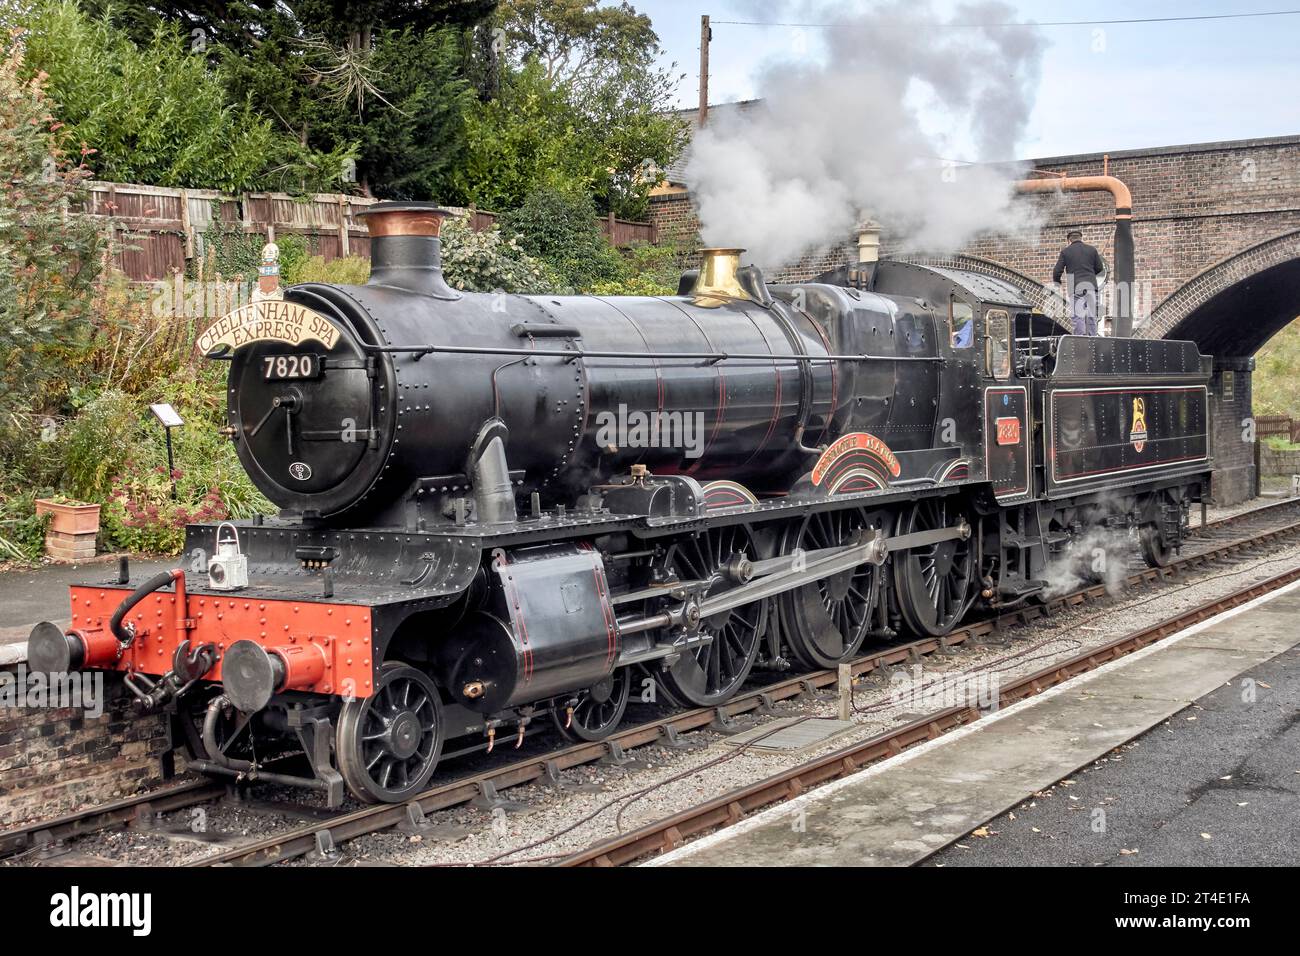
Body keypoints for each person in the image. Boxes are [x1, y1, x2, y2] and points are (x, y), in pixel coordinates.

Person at [1052, 230, 1107, 336]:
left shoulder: (1066, 252)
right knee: (1092, 315)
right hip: (1091, 286)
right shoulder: (1092, 250)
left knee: (1078, 316)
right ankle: (1093, 339)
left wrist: (1057, 282)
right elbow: (1100, 268)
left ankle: (1079, 341)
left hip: (1075, 287)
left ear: (1069, 240)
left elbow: (1057, 270)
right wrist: (1090, 275)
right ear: (1081, 238)